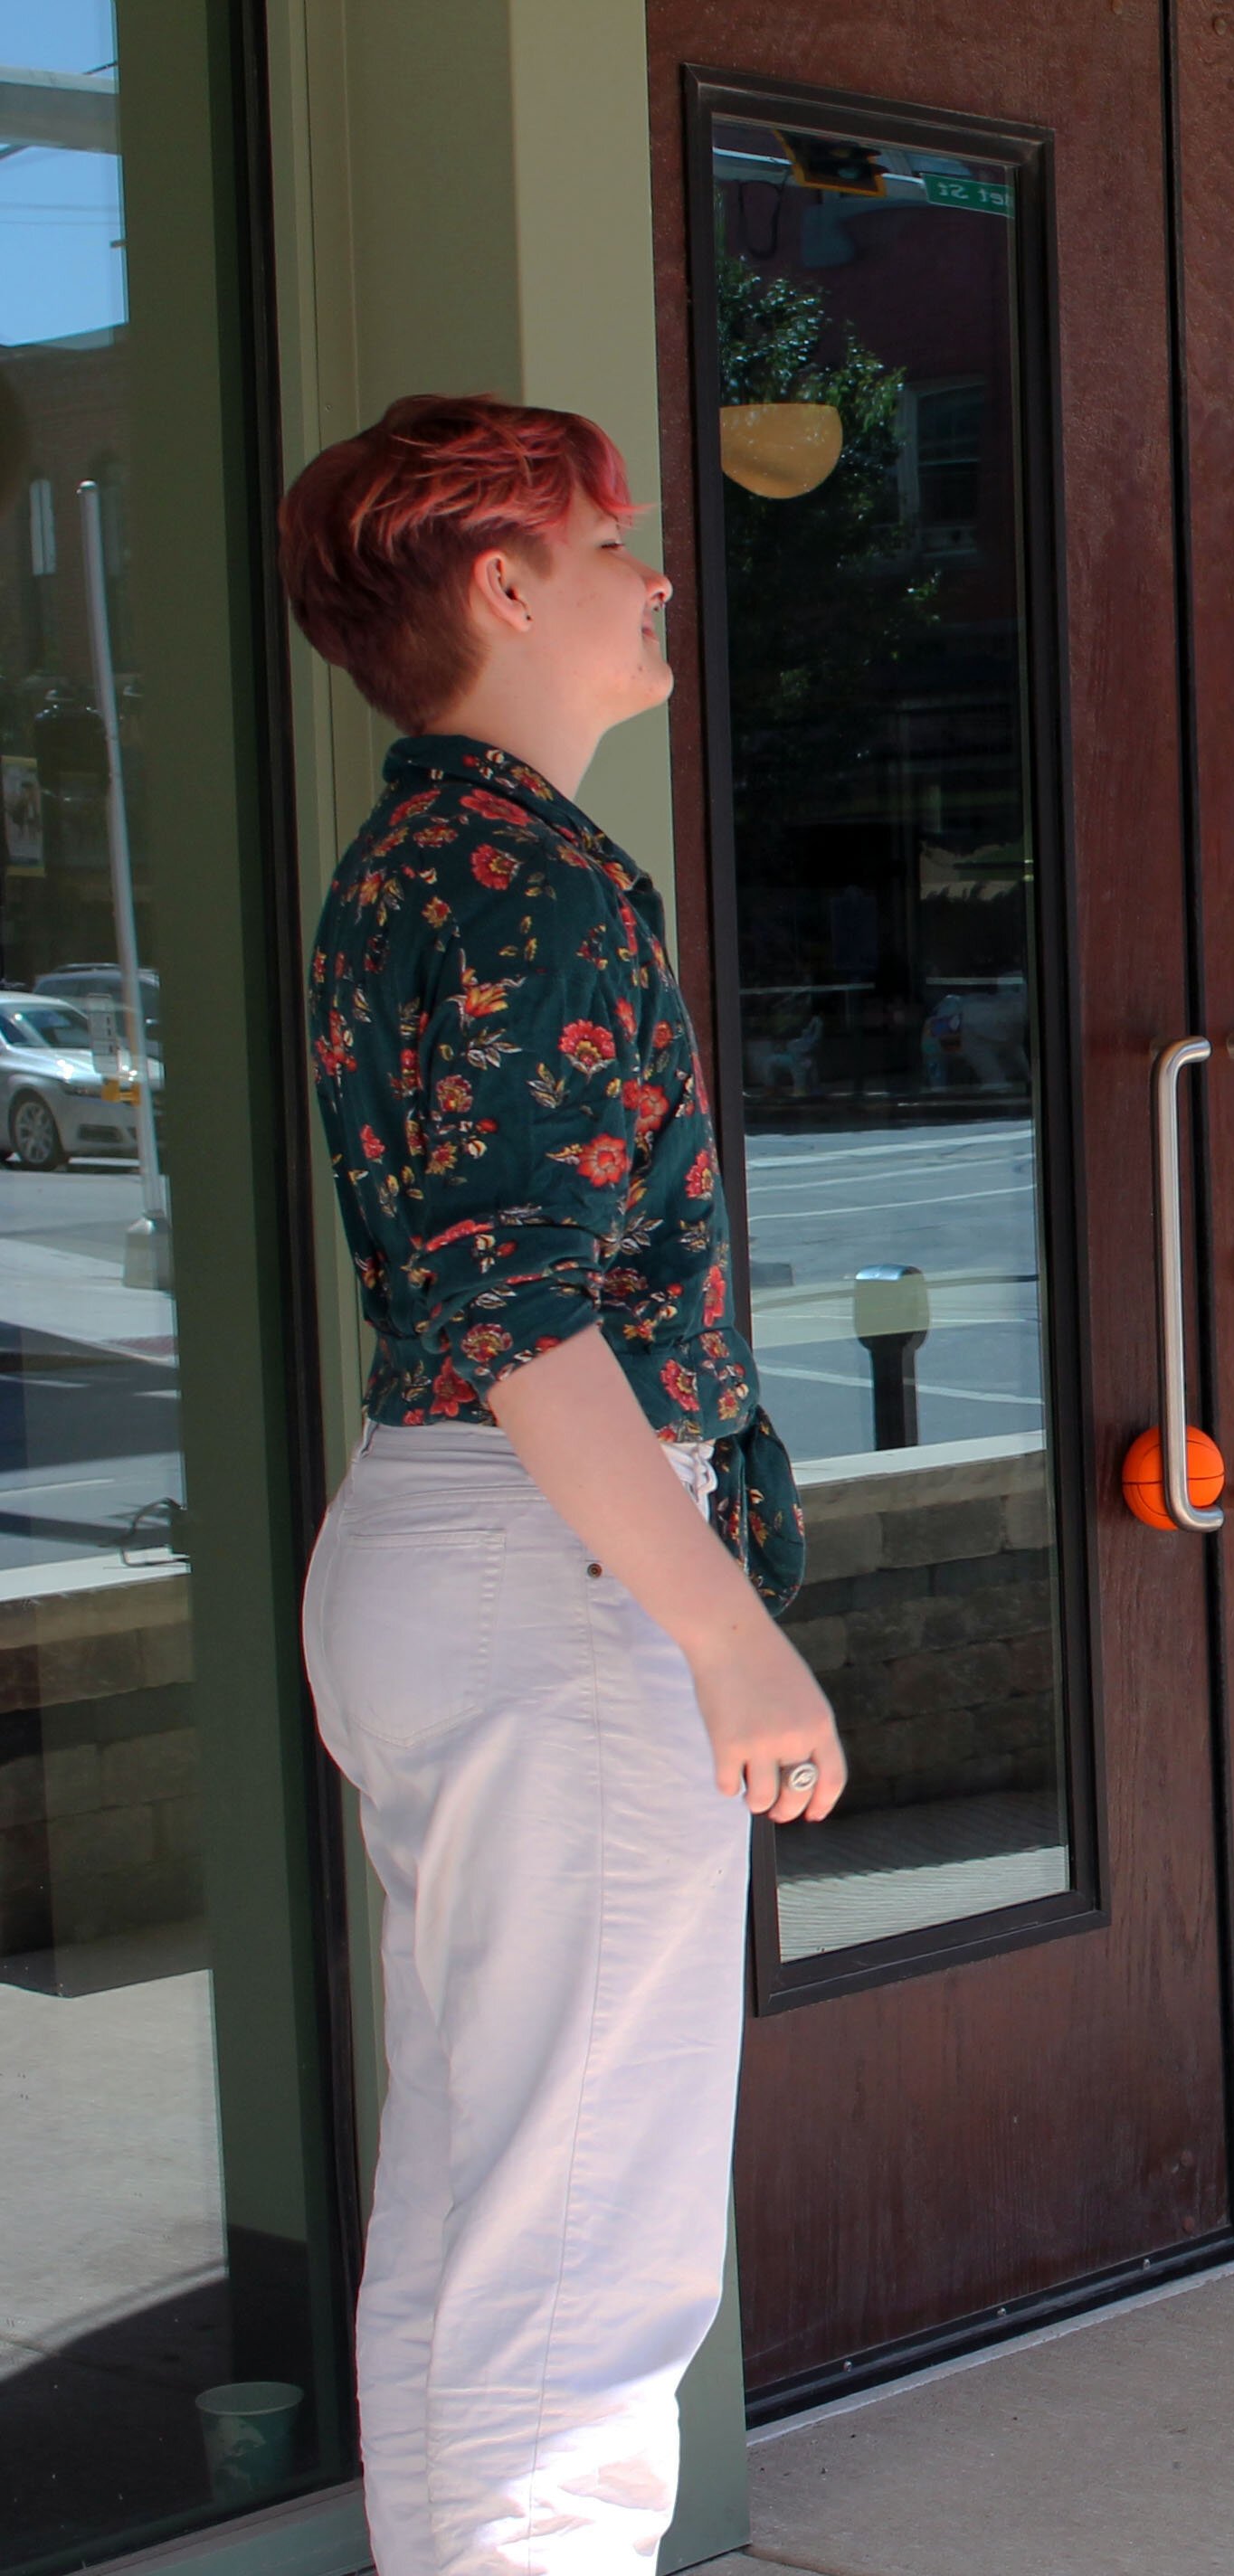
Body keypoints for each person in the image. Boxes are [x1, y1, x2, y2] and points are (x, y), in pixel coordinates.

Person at [279, 393, 848, 2573]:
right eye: (608, 542)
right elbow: (521, 1304)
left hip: (451, 1552)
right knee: (583, 2241)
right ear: (502, 589)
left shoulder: (423, 862)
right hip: (553, 1568)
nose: (652, 574)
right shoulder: (515, 879)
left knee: (481, 2201)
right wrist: (725, 1623)